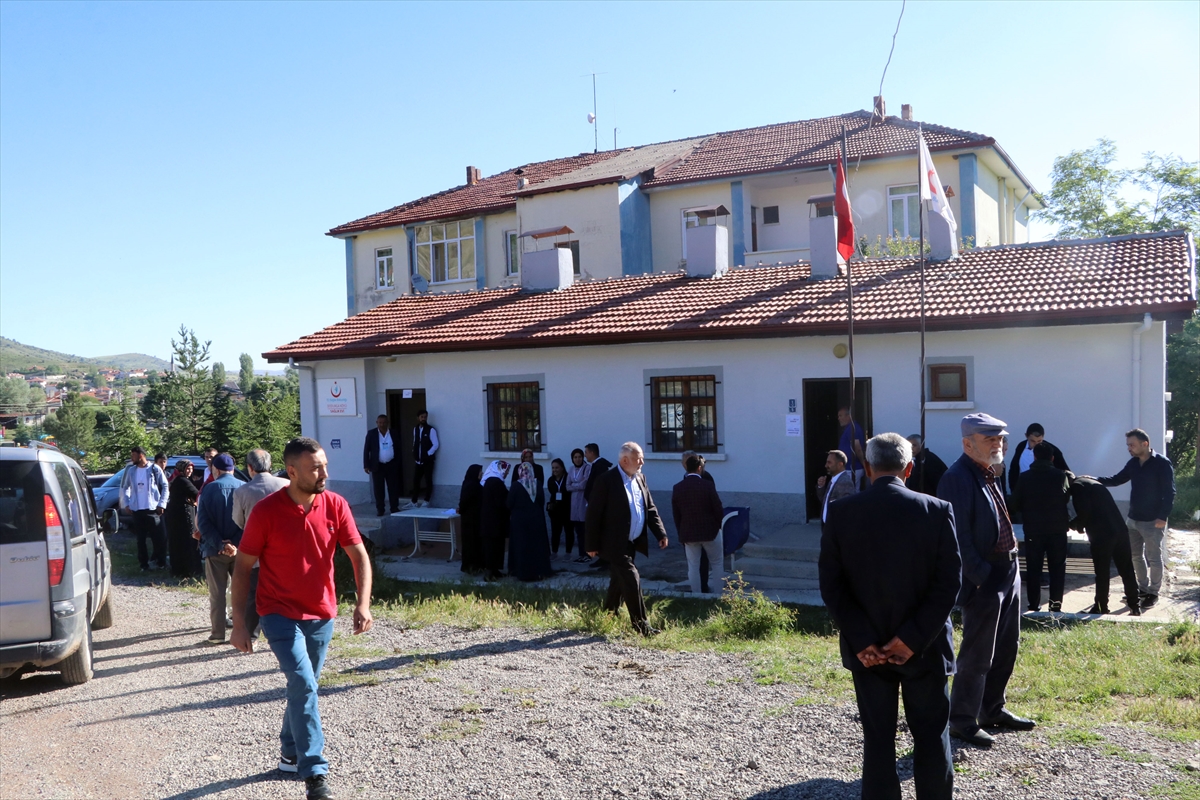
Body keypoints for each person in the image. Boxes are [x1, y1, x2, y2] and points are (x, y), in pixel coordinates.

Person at [820, 433, 961, 800]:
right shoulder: (937, 510)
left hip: (868, 651)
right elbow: (948, 584)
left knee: (878, 740)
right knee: (931, 737)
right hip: (925, 649)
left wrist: (864, 639)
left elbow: (832, 586)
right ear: (909, 468)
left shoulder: (841, 513)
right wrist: (912, 638)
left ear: (867, 469)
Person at [230, 437, 373, 800]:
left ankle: (289, 751)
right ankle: (315, 774)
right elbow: (243, 568)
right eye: (316, 468)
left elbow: (358, 556)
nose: (324, 472)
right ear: (292, 472)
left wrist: (363, 603)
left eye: (324, 465)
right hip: (277, 612)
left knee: (302, 686)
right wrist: (240, 623)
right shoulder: (266, 512)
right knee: (304, 684)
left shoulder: (335, 505)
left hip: (321, 613)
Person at [937, 413, 1035, 748]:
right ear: (968, 444)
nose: (998, 444)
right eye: (990, 439)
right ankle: (961, 720)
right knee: (978, 654)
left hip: (1008, 571)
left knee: (1007, 646)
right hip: (987, 576)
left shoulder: (989, 471)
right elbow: (958, 536)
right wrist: (979, 577)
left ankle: (992, 709)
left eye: (1000, 438)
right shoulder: (957, 477)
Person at [585, 442, 669, 636]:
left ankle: (607, 616)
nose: (642, 462)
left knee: (618, 580)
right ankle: (642, 626)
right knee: (632, 578)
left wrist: (661, 533)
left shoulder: (640, 478)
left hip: (631, 541)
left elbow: (649, 508)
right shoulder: (606, 480)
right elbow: (593, 514)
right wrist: (591, 544)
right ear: (625, 460)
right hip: (612, 542)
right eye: (639, 458)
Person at [1093, 428, 1175, 610]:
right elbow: (1117, 479)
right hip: (1133, 519)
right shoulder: (1133, 463)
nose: (1129, 448)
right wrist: (1095, 480)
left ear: (1145, 444)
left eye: (1132, 445)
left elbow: (1170, 492)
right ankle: (1142, 589)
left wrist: (1162, 516)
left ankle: (1153, 593)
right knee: (1135, 556)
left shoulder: (1162, 463)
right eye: (1128, 445)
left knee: (1154, 558)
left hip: (1154, 520)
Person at [232, 450, 290, 639]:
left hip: (254, 550)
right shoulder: (286, 485)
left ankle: (252, 636)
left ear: (250, 468)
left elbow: (238, 521)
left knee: (253, 595)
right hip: (285, 550)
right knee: (285, 593)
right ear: (270, 464)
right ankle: (287, 633)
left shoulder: (242, 491)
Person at [1010, 442, 1071, 612]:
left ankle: (1033, 604)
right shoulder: (1060, 475)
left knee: (1033, 568)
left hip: (1033, 529)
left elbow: (1014, 504)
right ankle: (1055, 605)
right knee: (1057, 568)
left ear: (1035, 456)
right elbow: (1066, 498)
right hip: (1057, 529)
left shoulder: (1025, 477)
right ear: (1052, 458)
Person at [1069, 477, 1141, 615]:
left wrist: (1072, 524)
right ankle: (1135, 605)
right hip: (1120, 530)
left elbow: (1084, 512)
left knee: (1102, 572)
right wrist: (1079, 524)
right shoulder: (1092, 484)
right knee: (1126, 569)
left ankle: (1101, 607)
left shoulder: (1077, 487)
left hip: (1102, 534)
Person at [197, 453, 242, 644]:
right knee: (241, 593)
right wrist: (235, 545)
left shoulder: (208, 489)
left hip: (215, 551)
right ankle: (243, 632)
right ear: (233, 468)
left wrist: (221, 544)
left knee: (217, 594)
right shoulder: (244, 487)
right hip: (241, 552)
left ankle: (217, 635)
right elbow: (249, 522)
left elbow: (204, 524)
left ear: (215, 469)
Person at [672, 455, 725, 594]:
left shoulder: (678, 487)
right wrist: (718, 526)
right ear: (699, 468)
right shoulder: (708, 485)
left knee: (693, 567)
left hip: (688, 533)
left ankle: (696, 595)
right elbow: (718, 508)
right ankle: (719, 595)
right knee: (717, 564)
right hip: (710, 532)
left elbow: (676, 514)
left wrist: (681, 533)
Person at [119, 446, 169, 571]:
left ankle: (160, 562)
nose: (132, 458)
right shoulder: (131, 471)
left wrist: (162, 504)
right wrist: (127, 503)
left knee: (158, 538)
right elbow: (125, 487)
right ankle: (144, 564)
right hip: (137, 510)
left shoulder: (154, 469)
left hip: (152, 509)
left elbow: (165, 486)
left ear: (141, 455)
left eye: (134, 456)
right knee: (140, 540)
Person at [507, 462, 552, 581]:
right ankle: (540, 571)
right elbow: (541, 501)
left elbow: (509, 503)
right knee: (536, 545)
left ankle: (522, 571)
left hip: (519, 520)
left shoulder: (516, 485)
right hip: (536, 519)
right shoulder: (537, 483)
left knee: (521, 545)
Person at [681, 449, 715, 592]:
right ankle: (696, 590)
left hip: (703, 527)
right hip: (689, 527)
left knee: (704, 560)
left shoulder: (706, 478)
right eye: (685, 461)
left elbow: (713, 504)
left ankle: (704, 587)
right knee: (693, 562)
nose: (686, 463)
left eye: (690, 460)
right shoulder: (684, 479)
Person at [1008, 423, 1069, 497]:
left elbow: (1065, 472)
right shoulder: (1021, 447)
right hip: (1024, 493)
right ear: (1026, 436)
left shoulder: (1053, 451)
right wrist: (1014, 491)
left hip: (1045, 495)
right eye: (1033, 441)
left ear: (1043, 437)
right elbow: (1013, 470)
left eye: (1039, 441)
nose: (1036, 445)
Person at [165, 459, 201, 578]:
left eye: (191, 469)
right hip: (183, 516)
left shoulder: (177, 479)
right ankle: (188, 570)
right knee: (188, 541)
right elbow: (196, 493)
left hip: (176, 515)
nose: (190, 471)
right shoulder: (183, 480)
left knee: (177, 542)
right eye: (188, 469)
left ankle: (179, 569)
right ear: (181, 469)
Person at [362, 414, 402, 517]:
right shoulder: (372, 434)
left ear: (387, 423)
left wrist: (397, 463)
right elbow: (367, 450)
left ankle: (394, 507)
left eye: (384, 422)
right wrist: (366, 465)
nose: (382, 425)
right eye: (380, 422)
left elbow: (398, 448)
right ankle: (380, 509)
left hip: (391, 465)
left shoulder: (393, 433)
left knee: (393, 487)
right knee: (378, 489)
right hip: (377, 465)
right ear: (377, 423)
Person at [479, 460, 511, 580]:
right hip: (493, 521)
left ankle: (495, 570)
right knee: (492, 547)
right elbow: (501, 502)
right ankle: (490, 573)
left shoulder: (490, 481)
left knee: (497, 546)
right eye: (506, 470)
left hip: (492, 520)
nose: (507, 473)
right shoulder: (496, 482)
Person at [583, 443, 613, 569]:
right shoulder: (596, 465)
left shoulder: (600, 467)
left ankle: (607, 560)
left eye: (586, 452)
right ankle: (602, 557)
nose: (585, 455)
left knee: (603, 532)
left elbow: (600, 487)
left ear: (592, 452)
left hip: (600, 506)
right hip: (596, 504)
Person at [565, 449, 592, 563]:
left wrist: (574, 485)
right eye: (575, 457)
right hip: (574, 503)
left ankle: (588, 554)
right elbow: (567, 486)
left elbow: (585, 484)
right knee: (578, 531)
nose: (577, 459)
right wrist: (577, 485)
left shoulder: (587, 468)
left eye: (579, 456)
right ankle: (581, 554)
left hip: (583, 502)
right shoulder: (571, 469)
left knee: (585, 530)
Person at [816, 449, 857, 525]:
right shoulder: (834, 480)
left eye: (829, 462)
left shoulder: (844, 482)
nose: (826, 465)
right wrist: (821, 487)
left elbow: (846, 510)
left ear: (840, 464)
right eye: (826, 462)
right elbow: (825, 501)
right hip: (828, 527)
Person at [456, 465, 484, 575]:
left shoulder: (469, 484)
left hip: (471, 518)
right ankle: (472, 566)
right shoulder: (473, 486)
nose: (481, 474)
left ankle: (473, 566)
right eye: (480, 472)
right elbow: (465, 501)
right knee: (471, 543)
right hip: (471, 520)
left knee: (472, 543)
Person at [409, 409, 439, 508]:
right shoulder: (416, 429)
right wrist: (415, 453)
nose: (423, 419)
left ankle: (427, 500)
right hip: (418, 461)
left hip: (428, 461)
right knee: (416, 481)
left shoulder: (431, 430)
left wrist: (427, 454)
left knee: (428, 480)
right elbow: (415, 442)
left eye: (425, 417)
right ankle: (414, 501)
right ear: (418, 418)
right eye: (421, 417)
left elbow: (435, 444)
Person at [546, 458, 572, 558]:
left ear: (562, 468)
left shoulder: (568, 478)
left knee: (568, 531)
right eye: (553, 468)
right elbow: (551, 492)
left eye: (557, 467)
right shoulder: (551, 480)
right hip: (555, 510)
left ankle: (568, 552)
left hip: (567, 509)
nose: (555, 470)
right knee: (555, 532)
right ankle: (554, 552)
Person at [837, 407, 867, 488]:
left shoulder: (853, 428)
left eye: (840, 416)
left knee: (849, 493)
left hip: (853, 468)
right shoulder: (849, 428)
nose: (839, 418)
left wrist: (864, 464)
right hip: (850, 468)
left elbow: (857, 447)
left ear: (848, 416)